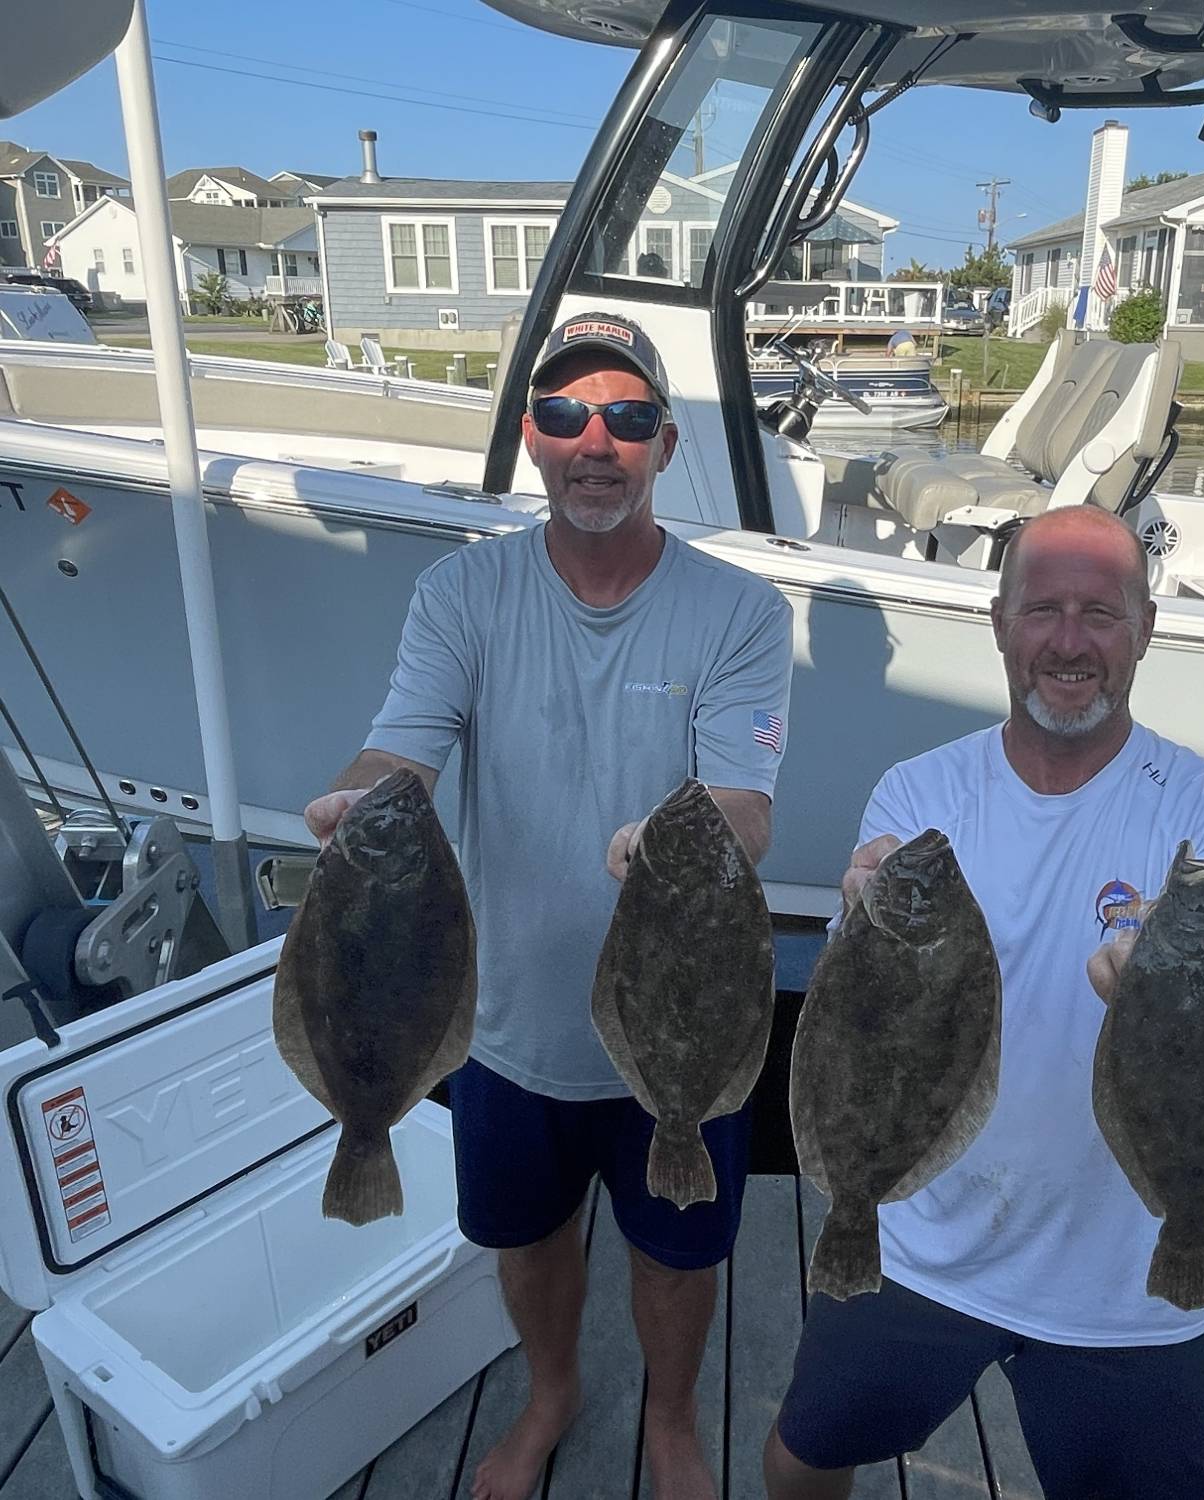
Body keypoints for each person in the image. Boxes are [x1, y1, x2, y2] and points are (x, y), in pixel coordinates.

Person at [305, 311, 793, 1500]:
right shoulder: (461, 593)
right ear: (532, 436)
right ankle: (554, 1395)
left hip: (681, 1029)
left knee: (680, 1251)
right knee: (523, 1241)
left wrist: (674, 833)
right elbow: (403, 751)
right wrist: (358, 806)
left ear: (664, 446)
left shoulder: (741, 614)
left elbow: (746, 805)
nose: (596, 442)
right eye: (568, 415)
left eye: (627, 419)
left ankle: (672, 1420)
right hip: (510, 1024)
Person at [763, 504, 1204, 1500]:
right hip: (923, 1233)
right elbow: (857, 1032)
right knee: (801, 1455)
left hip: (1127, 1271)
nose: (1070, 641)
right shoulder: (920, 795)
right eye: (1043, 609)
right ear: (1000, 623)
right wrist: (860, 922)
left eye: (1102, 611)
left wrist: (1178, 994)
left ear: (1145, 629)